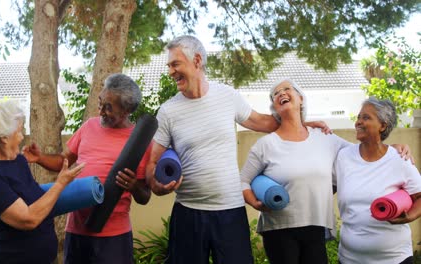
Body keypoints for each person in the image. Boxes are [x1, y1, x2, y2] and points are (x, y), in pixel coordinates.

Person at [146, 36, 329, 264]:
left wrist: (301, 124)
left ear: (197, 60)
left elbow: (263, 122)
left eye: (175, 64)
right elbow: (152, 165)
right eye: (169, 66)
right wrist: (158, 186)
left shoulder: (227, 96)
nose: (171, 71)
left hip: (230, 211)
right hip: (188, 212)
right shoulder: (168, 111)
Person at [240, 80, 412, 264]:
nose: (280, 93)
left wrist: (391, 148)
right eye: (275, 93)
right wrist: (256, 203)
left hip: (316, 227)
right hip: (278, 228)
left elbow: (364, 152)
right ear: (274, 106)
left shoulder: (325, 138)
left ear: (301, 99)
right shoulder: (266, 145)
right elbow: (243, 182)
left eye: (286, 89)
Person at [22, 73, 151, 264]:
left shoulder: (138, 142)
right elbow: (63, 162)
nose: (100, 111)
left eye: (108, 108)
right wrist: (39, 158)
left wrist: (133, 185)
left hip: (113, 236)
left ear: (126, 110)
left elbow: (145, 196)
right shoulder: (89, 126)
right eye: (100, 103)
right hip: (77, 231)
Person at [0, 100, 85, 263]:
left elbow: (34, 198)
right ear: (4, 138)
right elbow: (28, 219)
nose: (22, 137)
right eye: (19, 131)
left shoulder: (18, 161)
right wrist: (60, 184)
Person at [335, 97, 421, 264]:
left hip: (394, 259)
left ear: (383, 125)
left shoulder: (399, 159)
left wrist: (408, 217)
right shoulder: (343, 157)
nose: (358, 122)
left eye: (366, 117)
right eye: (358, 117)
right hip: (349, 259)